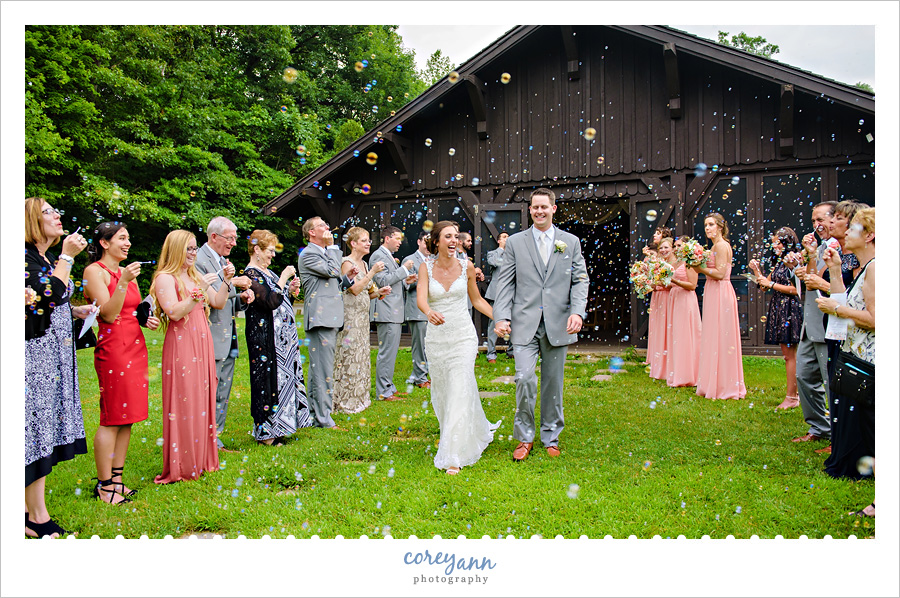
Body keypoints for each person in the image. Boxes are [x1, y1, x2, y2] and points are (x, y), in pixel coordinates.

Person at [493, 188, 590, 460]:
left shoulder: (570, 242)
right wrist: (501, 316)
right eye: (535, 207)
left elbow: (580, 280)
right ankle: (524, 437)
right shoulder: (515, 243)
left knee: (553, 383)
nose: (539, 212)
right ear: (530, 210)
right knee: (524, 378)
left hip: (558, 323)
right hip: (525, 323)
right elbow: (505, 283)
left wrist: (577, 312)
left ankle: (551, 436)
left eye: (544, 207)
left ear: (553, 209)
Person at [25, 197, 93, 537]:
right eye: (49, 212)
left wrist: (74, 312)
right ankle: (35, 517)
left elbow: (49, 302)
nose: (57, 216)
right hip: (31, 363)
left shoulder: (42, 258)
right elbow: (45, 294)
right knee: (33, 433)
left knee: (39, 432)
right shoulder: (22, 257)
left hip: (49, 360)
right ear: (32, 221)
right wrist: (67, 256)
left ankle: (27, 511)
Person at [82, 222, 160, 504]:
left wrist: (145, 318)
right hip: (114, 347)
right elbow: (109, 314)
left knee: (128, 418)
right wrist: (124, 281)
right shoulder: (95, 272)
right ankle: (103, 486)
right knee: (112, 417)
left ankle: (117, 479)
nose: (128, 243)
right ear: (104, 243)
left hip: (135, 345)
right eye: (122, 238)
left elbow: (133, 308)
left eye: (129, 238)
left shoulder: (127, 271)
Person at [416, 221, 500, 474]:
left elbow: (476, 300)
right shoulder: (425, 268)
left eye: (457, 237)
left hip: (463, 336)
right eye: (448, 236)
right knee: (443, 391)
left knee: (460, 386)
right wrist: (429, 312)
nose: (454, 241)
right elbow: (421, 298)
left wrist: (500, 318)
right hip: (437, 338)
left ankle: (453, 453)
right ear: (437, 241)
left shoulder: (467, 266)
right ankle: (459, 430)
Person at [150, 230, 232, 483]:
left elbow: (217, 301)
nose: (193, 254)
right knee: (184, 398)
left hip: (202, 338)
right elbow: (174, 312)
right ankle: (183, 463)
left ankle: (202, 457)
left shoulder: (194, 275)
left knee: (202, 396)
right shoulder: (165, 278)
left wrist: (227, 281)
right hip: (182, 342)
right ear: (176, 249)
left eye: (195, 249)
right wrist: (198, 291)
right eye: (189, 249)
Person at [815, 208, 875, 489]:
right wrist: (836, 268)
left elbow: (877, 320)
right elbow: (845, 297)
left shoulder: (876, 268)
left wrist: (836, 308)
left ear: (870, 235)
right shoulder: (865, 267)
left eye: (853, 228)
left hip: (868, 359)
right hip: (854, 353)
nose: (846, 231)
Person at [243, 230, 313, 445]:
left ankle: (281, 426)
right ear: (257, 250)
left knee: (283, 382)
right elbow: (268, 303)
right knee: (267, 382)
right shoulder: (250, 275)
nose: (273, 255)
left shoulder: (269, 274)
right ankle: (266, 433)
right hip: (265, 340)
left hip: (282, 342)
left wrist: (290, 291)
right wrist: (283, 278)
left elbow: (280, 303)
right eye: (270, 251)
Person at [193, 216, 255, 450]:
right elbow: (206, 294)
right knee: (208, 389)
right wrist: (233, 283)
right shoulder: (199, 259)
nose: (234, 243)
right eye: (230, 238)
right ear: (214, 237)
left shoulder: (221, 259)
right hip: (209, 333)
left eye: (235, 238)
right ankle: (204, 439)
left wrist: (241, 299)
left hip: (228, 336)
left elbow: (225, 297)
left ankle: (215, 437)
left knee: (222, 392)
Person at [297, 217, 356, 428]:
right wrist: (332, 248)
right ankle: (323, 418)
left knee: (318, 369)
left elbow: (333, 282)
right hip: (320, 318)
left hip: (328, 315)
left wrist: (346, 278)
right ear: (312, 232)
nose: (327, 227)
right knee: (322, 370)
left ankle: (314, 413)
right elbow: (331, 271)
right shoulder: (309, 254)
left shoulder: (322, 254)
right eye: (322, 225)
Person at [788, 201, 838, 445]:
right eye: (814, 221)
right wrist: (804, 264)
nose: (817, 225)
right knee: (804, 376)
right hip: (811, 322)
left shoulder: (841, 249)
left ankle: (839, 435)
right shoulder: (820, 248)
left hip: (830, 324)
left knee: (831, 383)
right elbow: (811, 281)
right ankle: (819, 426)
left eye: (821, 220)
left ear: (835, 219)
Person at [333, 227, 389, 414]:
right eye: (364, 240)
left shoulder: (364, 264)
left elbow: (367, 292)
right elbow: (354, 290)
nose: (368, 243)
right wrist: (372, 272)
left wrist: (379, 292)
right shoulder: (346, 263)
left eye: (368, 240)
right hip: (349, 318)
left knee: (361, 355)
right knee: (349, 355)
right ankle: (345, 400)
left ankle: (359, 397)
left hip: (362, 318)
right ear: (354, 243)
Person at [692, 213, 746, 400]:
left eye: (711, 224)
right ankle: (713, 381)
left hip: (721, 290)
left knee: (722, 336)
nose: (707, 228)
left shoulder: (722, 246)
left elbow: (721, 273)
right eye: (706, 225)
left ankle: (724, 384)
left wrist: (699, 269)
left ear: (720, 227)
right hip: (713, 290)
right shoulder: (713, 246)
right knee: (713, 335)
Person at [749, 227, 804, 409]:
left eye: (778, 242)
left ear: (788, 242)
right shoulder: (780, 262)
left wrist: (771, 284)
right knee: (788, 355)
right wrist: (757, 271)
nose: (775, 246)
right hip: (780, 308)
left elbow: (797, 289)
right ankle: (796, 395)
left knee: (790, 356)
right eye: (773, 243)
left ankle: (792, 397)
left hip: (790, 308)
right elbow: (765, 285)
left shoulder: (795, 260)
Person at [369, 226, 416, 401]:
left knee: (391, 351)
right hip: (386, 309)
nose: (400, 242)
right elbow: (382, 281)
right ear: (387, 238)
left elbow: (392, 284)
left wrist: (406, 281)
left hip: (393, 309)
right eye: (397, 238)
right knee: (386, 352)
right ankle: (383, 391)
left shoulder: (387, 256)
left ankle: (389, 387)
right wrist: (404, 269)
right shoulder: (378, 256)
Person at [665, 237, 701, 387]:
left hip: (685, 300)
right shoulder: (677, 262)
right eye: (675, 245)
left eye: (679, 245)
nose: (676, 248)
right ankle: (678, 373)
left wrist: (675, 281)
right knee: (677, 335)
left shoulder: (690, 262)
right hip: (676, 298)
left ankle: (689, 375)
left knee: (686, 335)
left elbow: (693, 285)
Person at [402, 231, 431, 388]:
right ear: (419, 242)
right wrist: (416, 280)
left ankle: (426, 374)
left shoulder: (434, 259)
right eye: (425, 242)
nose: (428, 246)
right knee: (419, 345)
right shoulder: (410, 260)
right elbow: (405, 285)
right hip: (417, 309)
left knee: (430, 344)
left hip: (432, 308)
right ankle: (420, 378)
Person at [648, 238, 674, 380]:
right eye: (661, 248)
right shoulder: (659, 264)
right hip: (659, 297)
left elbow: (670, 283)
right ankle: (660, 364)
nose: (663, 250)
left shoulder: (672, 264)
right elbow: (656, 282)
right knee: (660, 329)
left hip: (669, 297)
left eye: (666, 248)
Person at [484, 231, 510, 363]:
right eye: (504, 237)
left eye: (508, 237)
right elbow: (493, 262)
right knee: (494, 323)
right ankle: (491, 354)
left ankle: (511, 351)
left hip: (511, 293)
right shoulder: (493, 253)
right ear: (499, 241)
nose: (507, 239)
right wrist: (502, 249)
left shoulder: (513, 254)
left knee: (514, 322)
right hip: (496, 294)